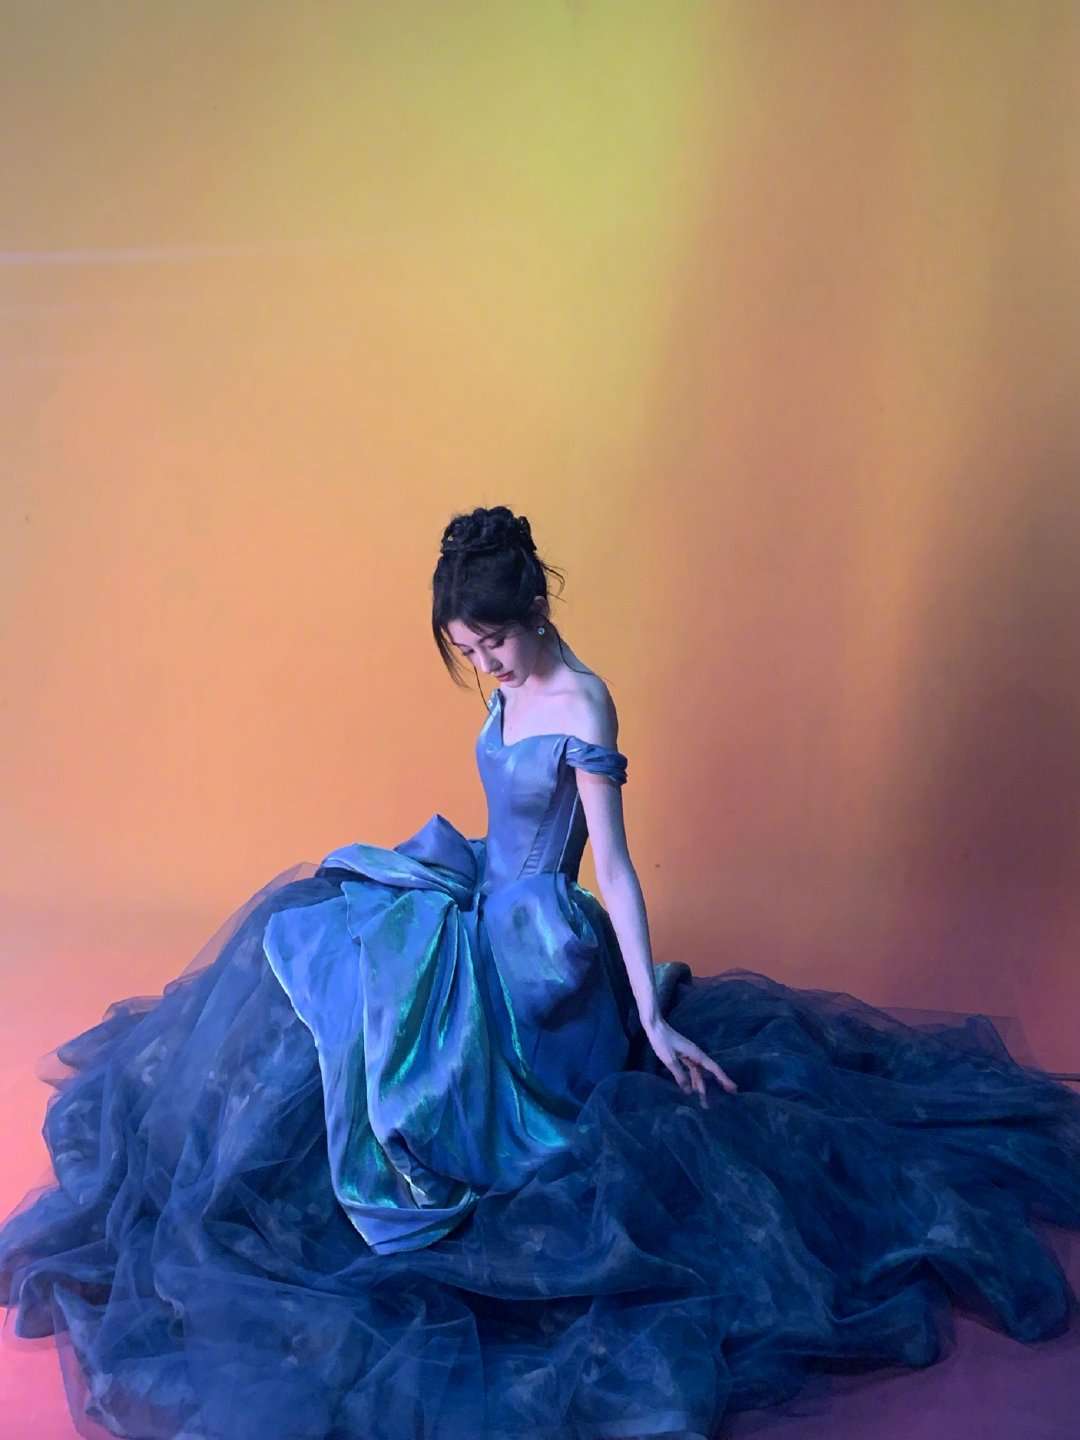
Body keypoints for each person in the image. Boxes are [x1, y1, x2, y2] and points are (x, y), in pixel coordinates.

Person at [1, 503, 1079, 1440]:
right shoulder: (506, 679)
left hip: (536, 956)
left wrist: (650, 1012)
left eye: (493, 645)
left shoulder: (583, 704)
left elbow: (613, 863)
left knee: (400, 1045)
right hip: (482, 892)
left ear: (534, 611)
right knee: (320, 943)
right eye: (467, 651)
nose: (484, 667)